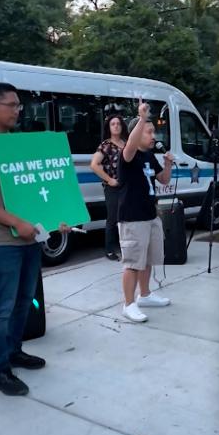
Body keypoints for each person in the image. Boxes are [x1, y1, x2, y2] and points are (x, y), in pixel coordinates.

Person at [0, 82, 71, 396]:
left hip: (29, 240)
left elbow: (35, 190)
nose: (18, 110)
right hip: (1, 242)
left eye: (19, 105)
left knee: (25, 302)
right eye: (13, 105)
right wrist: (16, 223)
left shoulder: (17, 145)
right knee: (2, 307)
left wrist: (54, 218)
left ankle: (14, 351)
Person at [118, 102, 174, 323]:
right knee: (132, 262)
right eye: (148, 131)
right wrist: (142, 119)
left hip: (150, 214)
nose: (153, 135)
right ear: (137, 132)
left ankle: (145, 295)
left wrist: (167, 164)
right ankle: (128, 304)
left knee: (148, 259)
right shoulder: (128, 155)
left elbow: (163, 180)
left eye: (153, 131)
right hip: (132, 217)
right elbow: (130, 145)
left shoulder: (149, 157)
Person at [91, 115, 127, 261]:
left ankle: (126, 246)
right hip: (113, 188)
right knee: (113, 218)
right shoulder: (106, 145)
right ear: (109, 127)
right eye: (113, 124)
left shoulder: (126, 144)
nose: (116, 126)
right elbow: (94, 165)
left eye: (118, 123)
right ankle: (109, 249)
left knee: (125, 218)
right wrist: (110, 180)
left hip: (127, 187)